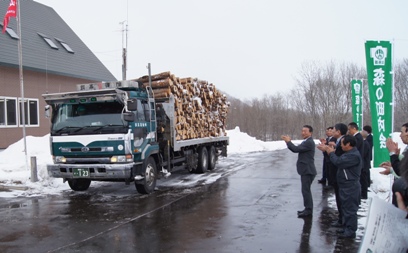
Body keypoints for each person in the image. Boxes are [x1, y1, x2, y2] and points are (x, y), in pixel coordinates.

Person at [325, 135, 362, 239]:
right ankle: (346, 226)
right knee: (345, 207)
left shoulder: (353, 155)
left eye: (342, 143)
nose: (340, 145)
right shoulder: (349, 153)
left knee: (350, 210)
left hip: (351, 187)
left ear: (348, 144)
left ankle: (350, 231)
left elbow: (338, 162)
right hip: (345, 186)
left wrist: (331, 153)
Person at [281, 125, 317, 218]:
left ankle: (308, 210)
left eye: (305, 131)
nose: (303, 133)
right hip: (305, 170)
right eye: (302, 131)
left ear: (310, 132)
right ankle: (307, 209)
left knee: (306, 191)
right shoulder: (306, 141)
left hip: (308, 170)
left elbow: (295, 149)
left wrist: (288, 142)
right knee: (305, 191)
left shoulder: (309, 142)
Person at [317, 123, 347, 227]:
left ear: (338, 132)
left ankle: (343, 222)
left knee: (341, 199)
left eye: (333, 130)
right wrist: (327, 149)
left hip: (341, 175)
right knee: (339, 198)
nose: (332, 132)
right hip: (336, 174)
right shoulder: (338, 142)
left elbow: (338, 159)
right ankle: (341, 219)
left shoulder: (344, 141)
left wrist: (329, 151)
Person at [360, 131, 371, 199]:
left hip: (364, 165)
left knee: (363, 180)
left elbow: (363, 154)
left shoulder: (365, 144)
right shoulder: (365, 143)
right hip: (364, 164)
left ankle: (364, 195)